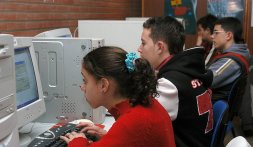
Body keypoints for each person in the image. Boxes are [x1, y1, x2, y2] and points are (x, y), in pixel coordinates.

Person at [60, 46, 176, 147]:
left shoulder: (134, 120)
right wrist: (108, 137)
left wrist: (77, 141)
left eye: (85, 81)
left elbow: (133, 131)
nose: (82, 87)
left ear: (103, 85)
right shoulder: (145, 103)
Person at [138, 16, 213, 147]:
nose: (139, 49)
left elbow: (137, 124)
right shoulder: (188, 71)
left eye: (143, 43)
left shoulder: (170, 85)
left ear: (160, 47)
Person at [207, 17, 252, 136]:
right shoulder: (234, 54)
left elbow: (207, 79)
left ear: (228, 35)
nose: (212, 36)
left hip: (212, 108)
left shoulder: (231, 61)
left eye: (216, 33)